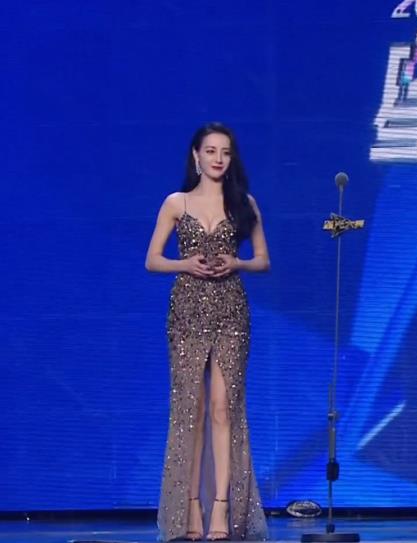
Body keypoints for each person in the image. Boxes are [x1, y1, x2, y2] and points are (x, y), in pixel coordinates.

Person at [146, 122, 270, 541]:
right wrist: (185, 264)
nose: (218, 159)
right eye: (211, 151)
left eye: (226, 152)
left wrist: (238, 263)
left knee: (223, 407)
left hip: (231, 310)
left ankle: (222, 508)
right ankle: (189, 509)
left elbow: (263, 260)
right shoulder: (176, 202)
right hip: (187, 310)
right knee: (191, 410)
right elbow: (152, 259)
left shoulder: (243, 203)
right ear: (196, 156)